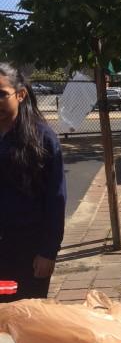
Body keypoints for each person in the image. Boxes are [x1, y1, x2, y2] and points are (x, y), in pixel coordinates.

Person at [0, 63, 66, 303]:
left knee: (24, 319)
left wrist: (48, 251)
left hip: (26, 251)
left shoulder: (41, 138)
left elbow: (55, 198)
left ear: (20, 94)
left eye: (1, 94)